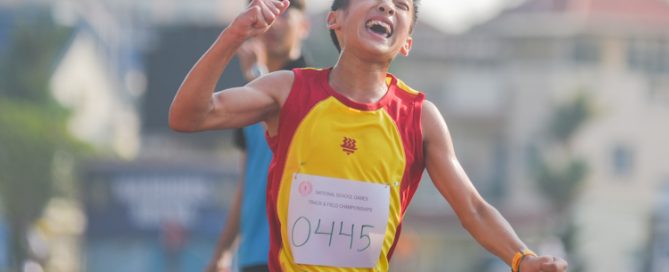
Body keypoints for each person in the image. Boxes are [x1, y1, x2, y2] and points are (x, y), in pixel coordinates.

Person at [169, 0, 569, 271]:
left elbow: (474, 209)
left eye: (402, 5)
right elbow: (188, 115)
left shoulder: (420, 118)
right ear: (334, 19)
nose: (387, 6)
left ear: (408, 40)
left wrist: (522, 258)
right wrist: (233, 36)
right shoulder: (288, 90)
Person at [205, 1, 310, 271]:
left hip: (298, 256)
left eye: (285, 13)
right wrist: (222, 252)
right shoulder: (248, 93)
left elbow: (287, 127)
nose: (274, 22)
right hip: (254, 257)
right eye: (267, 14)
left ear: (304, 26)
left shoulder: (317, 88)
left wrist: (257, 75)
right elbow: (248, 182)